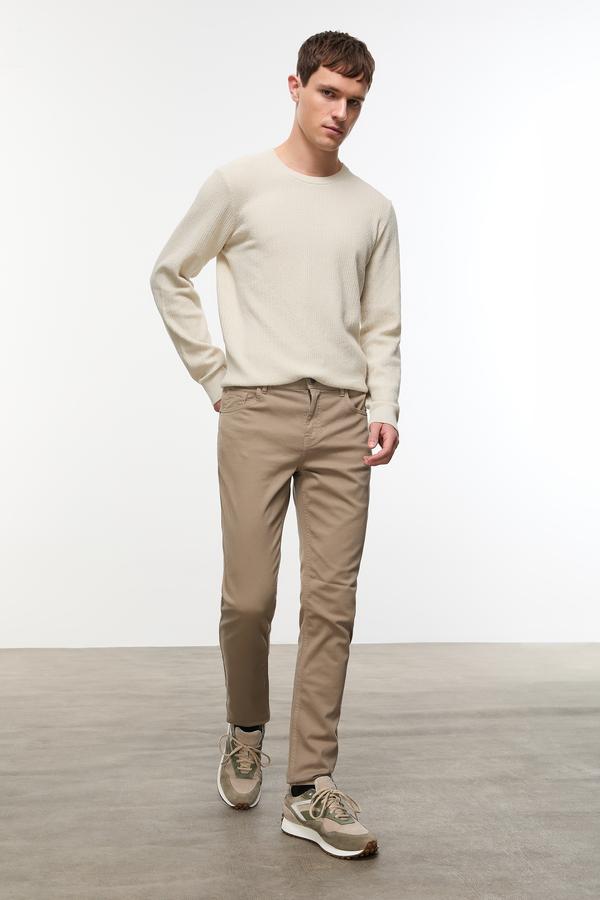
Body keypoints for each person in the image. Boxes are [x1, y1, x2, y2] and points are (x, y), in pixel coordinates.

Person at [149, 30, 401, 860]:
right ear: (295, 87)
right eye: (329, 93)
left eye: (355, 101)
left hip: (343, 418)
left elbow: (382, 322)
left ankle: (309, 787)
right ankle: (246, 726)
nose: (341, 113)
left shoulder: (372, 209)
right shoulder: (239, 185)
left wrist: (385, 404)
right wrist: (213, 375)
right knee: (250, 599)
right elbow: (170, 273)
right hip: (255, 409)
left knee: (332, 603)